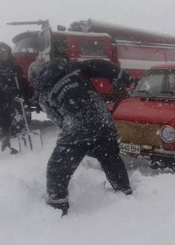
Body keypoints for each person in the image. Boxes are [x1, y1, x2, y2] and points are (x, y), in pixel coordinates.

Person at [34, 58, 134, 216]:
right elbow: (101, 65)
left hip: (76, 126)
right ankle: (125, 192)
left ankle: (57, 207)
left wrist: (79, 142)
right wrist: (121, 76)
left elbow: (58, 120)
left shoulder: (43, 93)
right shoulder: (73, 68)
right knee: (110, 159)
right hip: (102, 119)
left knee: (57, 169)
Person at [0, 42, 30, 158]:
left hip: (8, 99)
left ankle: (6, 145)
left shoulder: (12, 64)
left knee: (7, 122)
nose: (4, 54)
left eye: (5, 52)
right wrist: (6, 88)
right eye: (1, 52)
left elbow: (19, 78)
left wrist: (21, 85)